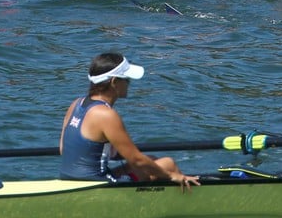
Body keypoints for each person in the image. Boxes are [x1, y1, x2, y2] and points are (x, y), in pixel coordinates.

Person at [59, 52, 199, 190]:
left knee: (150, 159)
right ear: (114, 82)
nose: (129, 84)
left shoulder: (76, 104)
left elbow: (63, 150)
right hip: (97, 184)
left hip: (68, 178)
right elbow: (137, 160)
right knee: (168, 164)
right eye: (127, 79)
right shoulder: (106, 115)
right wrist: (171, 175)